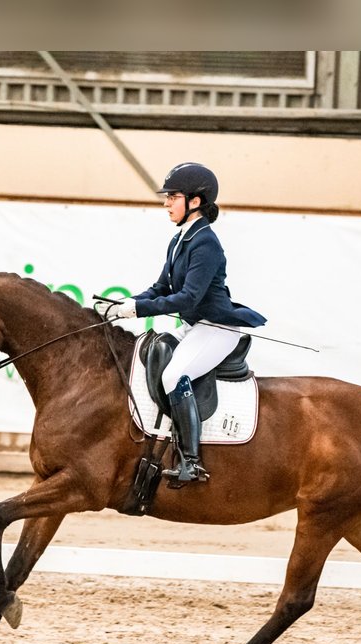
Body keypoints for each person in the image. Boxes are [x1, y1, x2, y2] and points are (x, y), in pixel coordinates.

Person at [98, 162, 266, 483]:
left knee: (175, 375)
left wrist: (137, 311)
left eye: (172, 197)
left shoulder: (206, 243)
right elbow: (161, 288)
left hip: (217, 328)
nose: (166, 204)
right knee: (152, 353)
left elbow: (187, 298)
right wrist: (125, 304)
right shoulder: (179, 240)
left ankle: (192, 462)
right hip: (195, 326)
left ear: (195, 201)